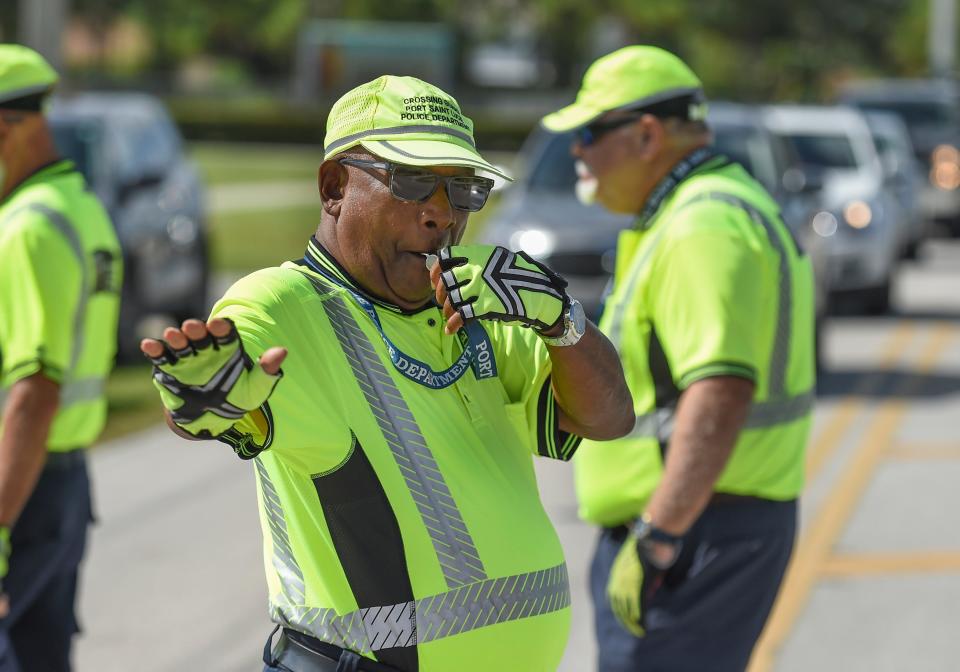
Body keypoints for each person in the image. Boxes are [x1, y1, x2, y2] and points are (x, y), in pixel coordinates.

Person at [141, 74, 634, 672]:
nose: (441, 215)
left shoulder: (474, 306)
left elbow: (608, 417)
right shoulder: (287, 302)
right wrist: (207, 394)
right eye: (412, 181)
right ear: (333, 187)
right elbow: (219, 381)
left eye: (464, 190)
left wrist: (561, 319)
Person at [541, 45, 816, 672]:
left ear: (645, 135)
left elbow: (720, 388)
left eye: (589, 132)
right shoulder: (702, 209)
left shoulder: (703, 224)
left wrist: (660, 535)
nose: (577, 150)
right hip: (704, 526)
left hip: (693, 535)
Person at [0, 45, 122, 672]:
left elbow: (34, 390)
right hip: (64, 483)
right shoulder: (81, 208)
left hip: (19, 486)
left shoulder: (27, 228)